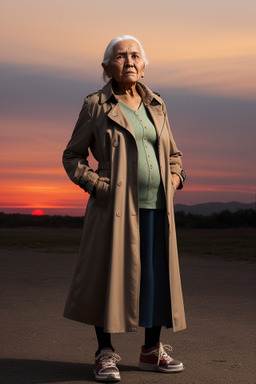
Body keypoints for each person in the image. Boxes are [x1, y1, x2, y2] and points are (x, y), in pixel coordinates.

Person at [62, 35, 186, 382]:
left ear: (143, 66)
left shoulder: (157, 105)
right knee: (108, 278)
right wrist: (96, 185)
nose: (129, 60)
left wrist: (175, 179)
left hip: (158, 208)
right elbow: (72, 156)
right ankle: (105, 354)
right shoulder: (96, 106)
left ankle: (151, 351)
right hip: (113, 210)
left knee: (155, 279)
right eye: (120, 56)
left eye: (135, 55)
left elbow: (174, 155)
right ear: (107, 68)